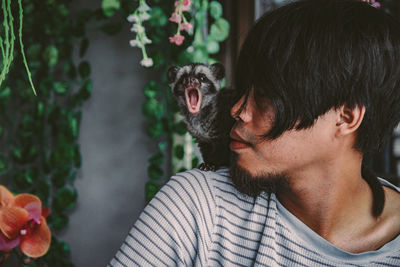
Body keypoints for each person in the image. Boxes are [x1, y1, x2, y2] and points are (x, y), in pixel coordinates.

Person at [109, 0, 400, 266]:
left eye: (264, 96)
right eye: (244, 90)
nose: (237, 109)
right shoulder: (198, 206)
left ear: (346, 117)